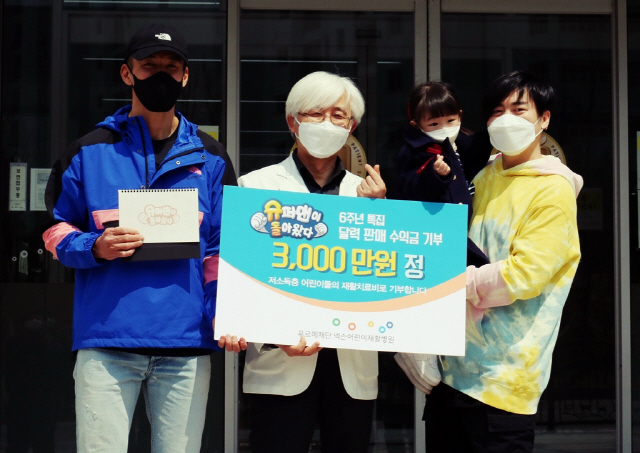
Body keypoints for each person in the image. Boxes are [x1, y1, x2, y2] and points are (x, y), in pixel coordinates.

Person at [42, 24, 244, 452]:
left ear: (185, 76)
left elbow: (220, 251)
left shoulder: (211, 157)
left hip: (186, 342)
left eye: (171, 67)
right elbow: (55, 231)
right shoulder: (87, 153)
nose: (161, 75)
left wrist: (224, 317)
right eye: (149, 65)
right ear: (127, 73)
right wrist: (94, 246)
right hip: (107, 342)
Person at [423, 71, 582, 452]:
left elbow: (524, 276)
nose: (506, 119)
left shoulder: (553, 189)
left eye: (518, 109)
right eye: (497, 111)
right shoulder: (482, 177)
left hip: (503, 386)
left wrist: (450, 284)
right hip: (450, 377)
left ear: (544, 119)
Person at [237, 71, 386, 453]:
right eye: (316, 114)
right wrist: (275, 335)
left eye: (338, 115)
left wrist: (381, 216)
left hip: (352, 369)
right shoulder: (255, 187)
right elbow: (244, 280)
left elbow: (384, 279)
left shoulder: (368, 196)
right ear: (293, 122)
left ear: (351, 127)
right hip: (281, 363)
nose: (327, 123)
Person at [394, 81, 491, 395]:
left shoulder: (461, 142)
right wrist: (436, 175)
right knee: (431, 289)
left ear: (460, 115)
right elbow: (409, 185)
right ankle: (416, 347)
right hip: (432, 231)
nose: (443, 128)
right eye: (433, 123)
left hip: (459, 229)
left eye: (450, 120)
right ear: (417, 124)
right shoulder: (415, 150)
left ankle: (441, 351)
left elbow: (477, 152)